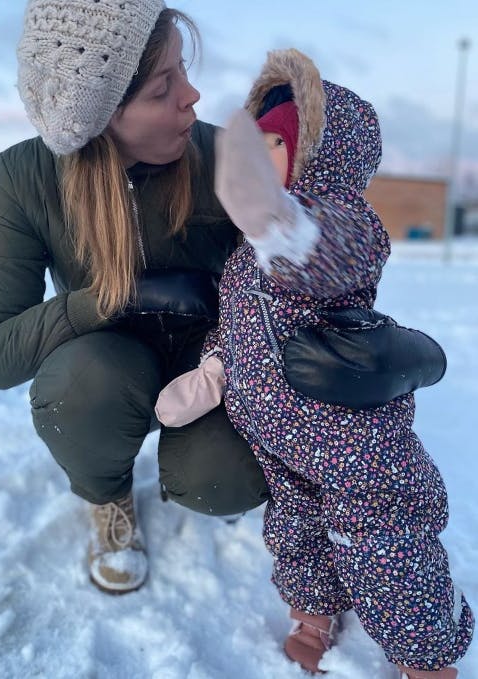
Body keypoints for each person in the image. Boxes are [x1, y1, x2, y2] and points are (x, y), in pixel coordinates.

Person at [0, 0, 448, 600]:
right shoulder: (27, 175)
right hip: (107, 364)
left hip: (215, 363)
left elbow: (330, 233)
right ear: (105, 114)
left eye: (183, 72)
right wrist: (108, 301)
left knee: (226, 479)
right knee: (77, 389)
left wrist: (354, 338)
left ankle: (199, 466)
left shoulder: (225, 156)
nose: (193, 96)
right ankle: (109, 500)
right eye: (165, 87)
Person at [156, 49, 473, 677]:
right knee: (294, 526)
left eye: (279, 142)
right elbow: (241, 321)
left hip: (348, 435)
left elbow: (327, 255)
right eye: (261, 139)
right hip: (276, 430)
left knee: (384, 542)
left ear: (318, 155)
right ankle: (314, 610)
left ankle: (427, 655)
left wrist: (285, 226)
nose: (261, 155)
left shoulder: (343, 225)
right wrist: (215, 370)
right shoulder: (248, 250)